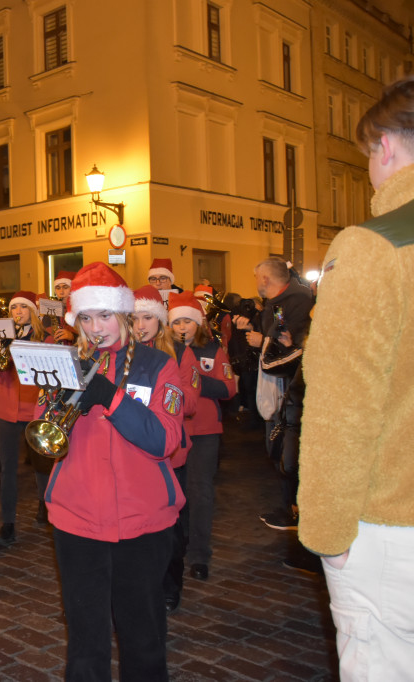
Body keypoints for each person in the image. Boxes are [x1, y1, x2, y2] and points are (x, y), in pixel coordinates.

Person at [298, 76, 414, 681]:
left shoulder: (375, 247)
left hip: (392, 527)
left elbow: (343, 408)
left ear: (386, 149)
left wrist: (326, 532)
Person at [45, 262, 185, 681]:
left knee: (142, 636)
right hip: (77, 518)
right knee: (85, 639)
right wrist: (58, 400)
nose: (94, 327)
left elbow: (165, 440)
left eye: (104, 315)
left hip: (142, 522)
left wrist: (111, 398)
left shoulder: (159, 366)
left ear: (123, 315)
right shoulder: (68, 362)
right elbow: (47, 431)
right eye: (85, 318)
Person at [133, 285, 200, 612]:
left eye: (147, 317)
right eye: (134, 318)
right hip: (133, 450)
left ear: (160, 320)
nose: (140, 325)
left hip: (169, 453)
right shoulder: (124, 353)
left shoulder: (178, 352)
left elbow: (190, 402)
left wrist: (162, 388)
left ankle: (171, 585)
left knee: (170, 528)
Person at [234, 257, 313, 530]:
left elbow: (284, 341)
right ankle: (288, 507)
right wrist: (257, 333)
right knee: (280, 449)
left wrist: (263, 341)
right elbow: (279, 333)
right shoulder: (278, 303)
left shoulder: (294, 301)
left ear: (266, 279)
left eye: (257, 278)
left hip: (291, 388)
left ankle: (293, 510)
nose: (256, 283)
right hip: (280, 386)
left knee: (287, 452)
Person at [168, 292, 236, 582]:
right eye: (177, 322)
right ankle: (176, 547)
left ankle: (199, 554)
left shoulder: (212, 348)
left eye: (188, 322)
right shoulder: (165, 350)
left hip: (206, 431)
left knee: (200, 491)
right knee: (176, 492)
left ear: (198, 323)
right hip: (178, 429)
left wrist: (192, 376)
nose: (182, 327)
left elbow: (229, 388)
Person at [0, 290, 52, 544]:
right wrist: (0, 350)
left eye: (23, 308)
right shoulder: (2, 338)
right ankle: (8, 521)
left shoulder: (44, 339)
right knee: (8, 468)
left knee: (42, 465)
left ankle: (44, 505)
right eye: (14, 308)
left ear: (32, 312)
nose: (18, 312)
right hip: (6, 409)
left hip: (35, 407)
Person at [50, 270, 77, 343]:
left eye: (65, 287)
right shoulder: (53, 309)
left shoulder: (81, 310)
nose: (61, 292)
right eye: (58, 288)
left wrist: (73, 336)